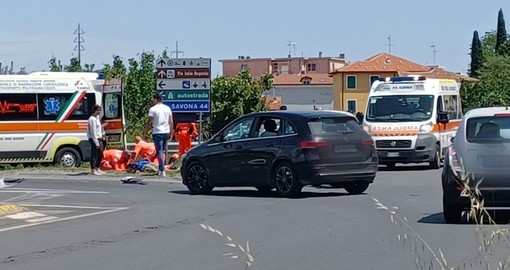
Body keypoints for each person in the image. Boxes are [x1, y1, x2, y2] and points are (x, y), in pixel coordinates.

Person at [148, 93, 173, 177]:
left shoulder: (152, 109)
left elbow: (150, 121)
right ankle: (161, 168)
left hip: (157, 132)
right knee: (163, 151)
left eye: (153, 99)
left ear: (156, 99)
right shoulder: (167, 108)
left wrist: (146, 131)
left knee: (159, 151)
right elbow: (171, 122)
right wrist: (171, 132)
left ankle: (162, 170)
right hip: (166, 131)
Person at [87, 105, 105, 175]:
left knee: (100, 154)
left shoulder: (96, 118)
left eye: (100, 110)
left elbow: (98, 129)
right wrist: (96, 143)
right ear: (94, 110)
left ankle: (97, 168)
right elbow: (93, 132)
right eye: (98, 110)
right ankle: (93, 170)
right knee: (94, 155)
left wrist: (102, 126)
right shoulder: (92, 119)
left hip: (99, 138)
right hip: (95, 139)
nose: (99, 112)